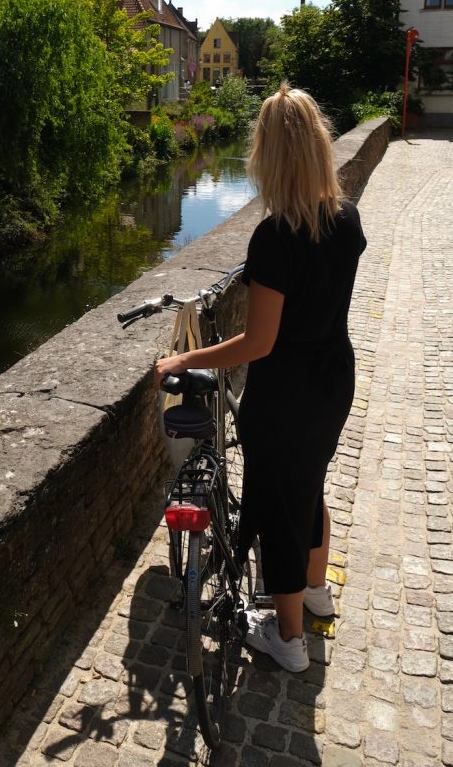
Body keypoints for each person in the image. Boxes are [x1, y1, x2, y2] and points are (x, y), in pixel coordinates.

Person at [154, 83, 366, 672]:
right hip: (332, 378)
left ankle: (288, 638)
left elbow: (259, 343)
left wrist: (184, 359)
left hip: (285, 392)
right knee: (310, 486)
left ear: (269, 156)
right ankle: (316, 590)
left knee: (278, 507)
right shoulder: (344, 219)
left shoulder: (274, 237)